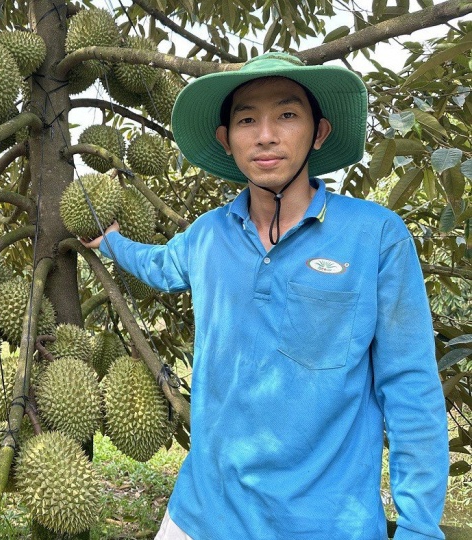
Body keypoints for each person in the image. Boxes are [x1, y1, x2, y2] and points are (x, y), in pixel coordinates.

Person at [82, 52, 449, 539]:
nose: (266, 135)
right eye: (247, 120)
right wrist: (110, 242)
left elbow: (411, 390)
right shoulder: (207, 234)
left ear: (318, 133)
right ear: (226, 141)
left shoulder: (376, 236)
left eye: (287, 115)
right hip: (201, 513)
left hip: (323, 524)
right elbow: (160, 266)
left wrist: (420, 528)